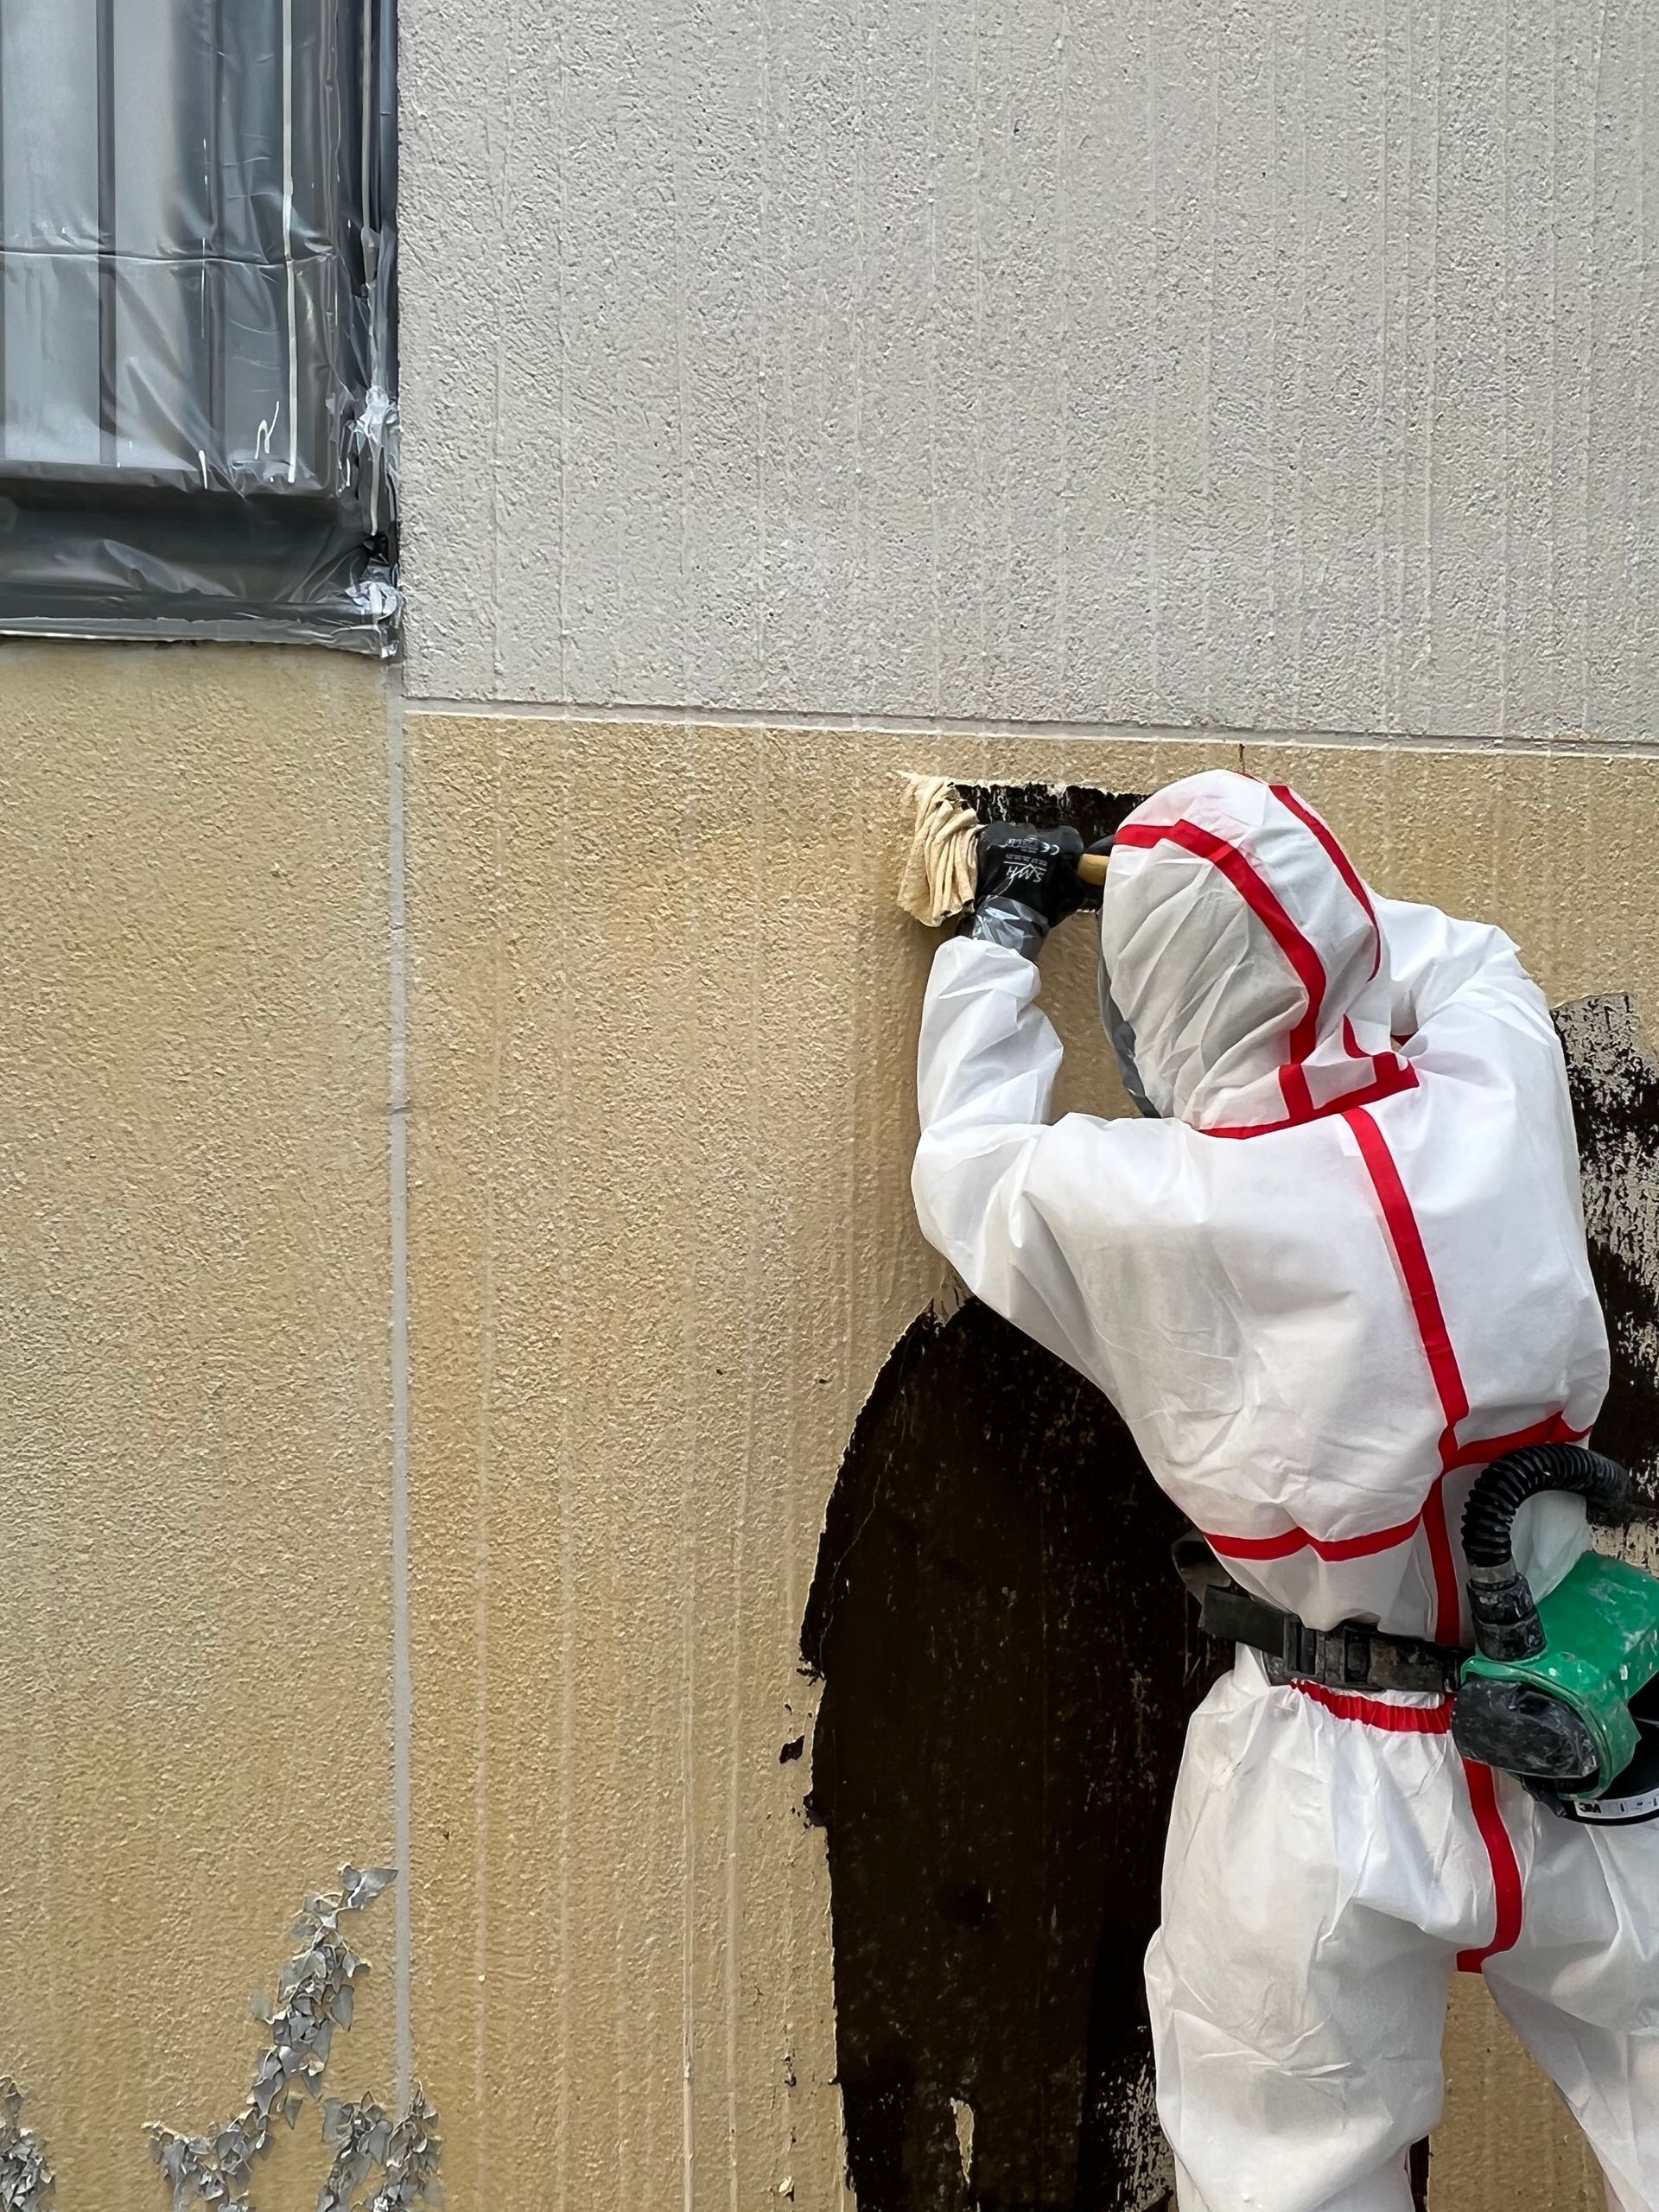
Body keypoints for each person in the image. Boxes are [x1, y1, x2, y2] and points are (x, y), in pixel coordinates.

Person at [911, 768, 1659, 2212]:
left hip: (1330, 1760)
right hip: (1587, 1713)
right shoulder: (1495, 1075)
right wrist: (1264, 885)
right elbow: (1456, 951)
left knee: (1281, 2168)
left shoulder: (1165, 1213)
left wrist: (1002, 929)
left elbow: (974, 1165)